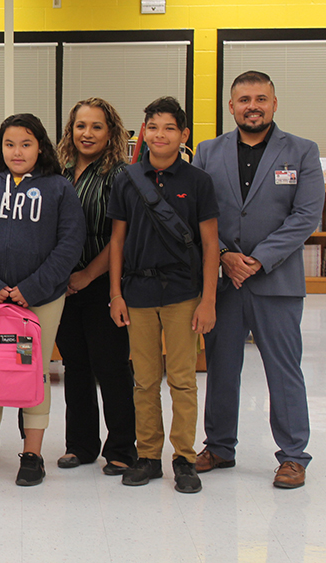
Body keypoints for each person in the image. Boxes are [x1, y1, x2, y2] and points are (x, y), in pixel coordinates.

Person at [193, 71, 323, 490]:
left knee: (283, 370)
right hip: (224, 283)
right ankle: (218, 446)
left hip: (276, 282)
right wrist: (227, 256)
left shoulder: (302, 152)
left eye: (261, 98)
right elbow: (198, 212)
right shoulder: (208, 152)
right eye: (244, 99)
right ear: (231, 106)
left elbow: (305, 216)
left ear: (274, 103)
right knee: (221, 367)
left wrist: (259, 259)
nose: (253, 105)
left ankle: (292, 456)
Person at [0, 113, 84, 486]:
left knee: (33, 372)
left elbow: (69, 244)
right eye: (10, 144)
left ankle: (32, 454)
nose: (17, 151)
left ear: (39, 147)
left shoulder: (59, 188)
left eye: (26, 144)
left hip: (39, 302)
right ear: (0, 147)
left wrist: (31, 289)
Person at [107, 96, 219, 494]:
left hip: (183, 294)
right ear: (144, 133)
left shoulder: (198, 182)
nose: (160, 135)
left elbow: (210, 245)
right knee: (144, 380)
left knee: (183, 380)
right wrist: (115, 294)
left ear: (184, 135)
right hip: (136, 292)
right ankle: (149, 456)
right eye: (153, 127)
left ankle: (184, 458)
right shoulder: (127, 179)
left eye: (169, 128)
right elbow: (116, 242)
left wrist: (208, 300)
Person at [53, 98, 136, 475]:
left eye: (96, 126)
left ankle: (121, 447)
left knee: (112, 367)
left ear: (111, 131)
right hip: (62, 287)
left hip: (103, 283)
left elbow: (121, 236)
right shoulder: (59, 172)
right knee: (76, 366)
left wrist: (87, 276)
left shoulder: (120, 175)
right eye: (80, 126)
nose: (87, 133)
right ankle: (80, 445)